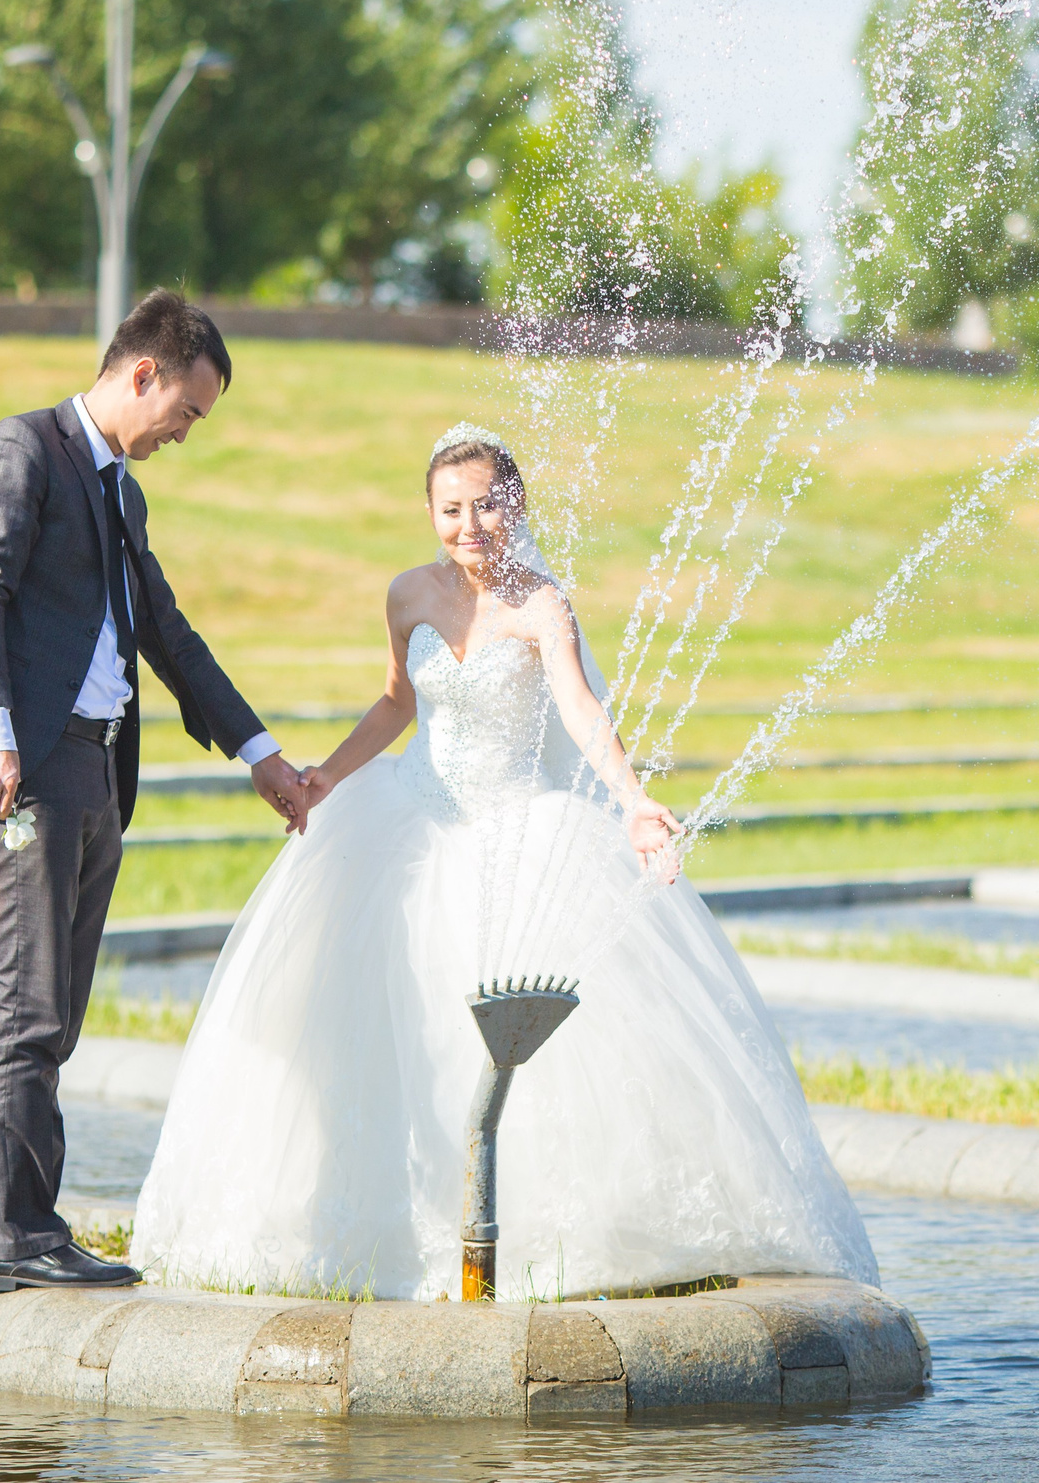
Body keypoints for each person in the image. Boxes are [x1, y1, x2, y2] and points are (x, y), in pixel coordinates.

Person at [131, 425, 876, 1299]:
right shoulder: (406, 594)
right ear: (430, 512)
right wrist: (331, 772)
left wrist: (634, 801)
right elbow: (396, 702)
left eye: (487, 504)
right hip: (408, 822)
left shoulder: (541, 605)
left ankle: (526, 1237)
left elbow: (581, 708)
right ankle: (390, 1234)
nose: (471, 524)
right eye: (452, 509)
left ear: (515, 504)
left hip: (518, 829)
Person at [0, 290, 311, 1294]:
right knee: (27, 1007)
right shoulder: (23, 452)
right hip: (24, 768)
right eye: (187, 409)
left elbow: (169, 637)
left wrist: (260, 751)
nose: (184, 432)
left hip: (93, 769)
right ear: (144, 374)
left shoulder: (122, 493)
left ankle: (36, 1226)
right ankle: (14, 1237)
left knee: (59, 1013)